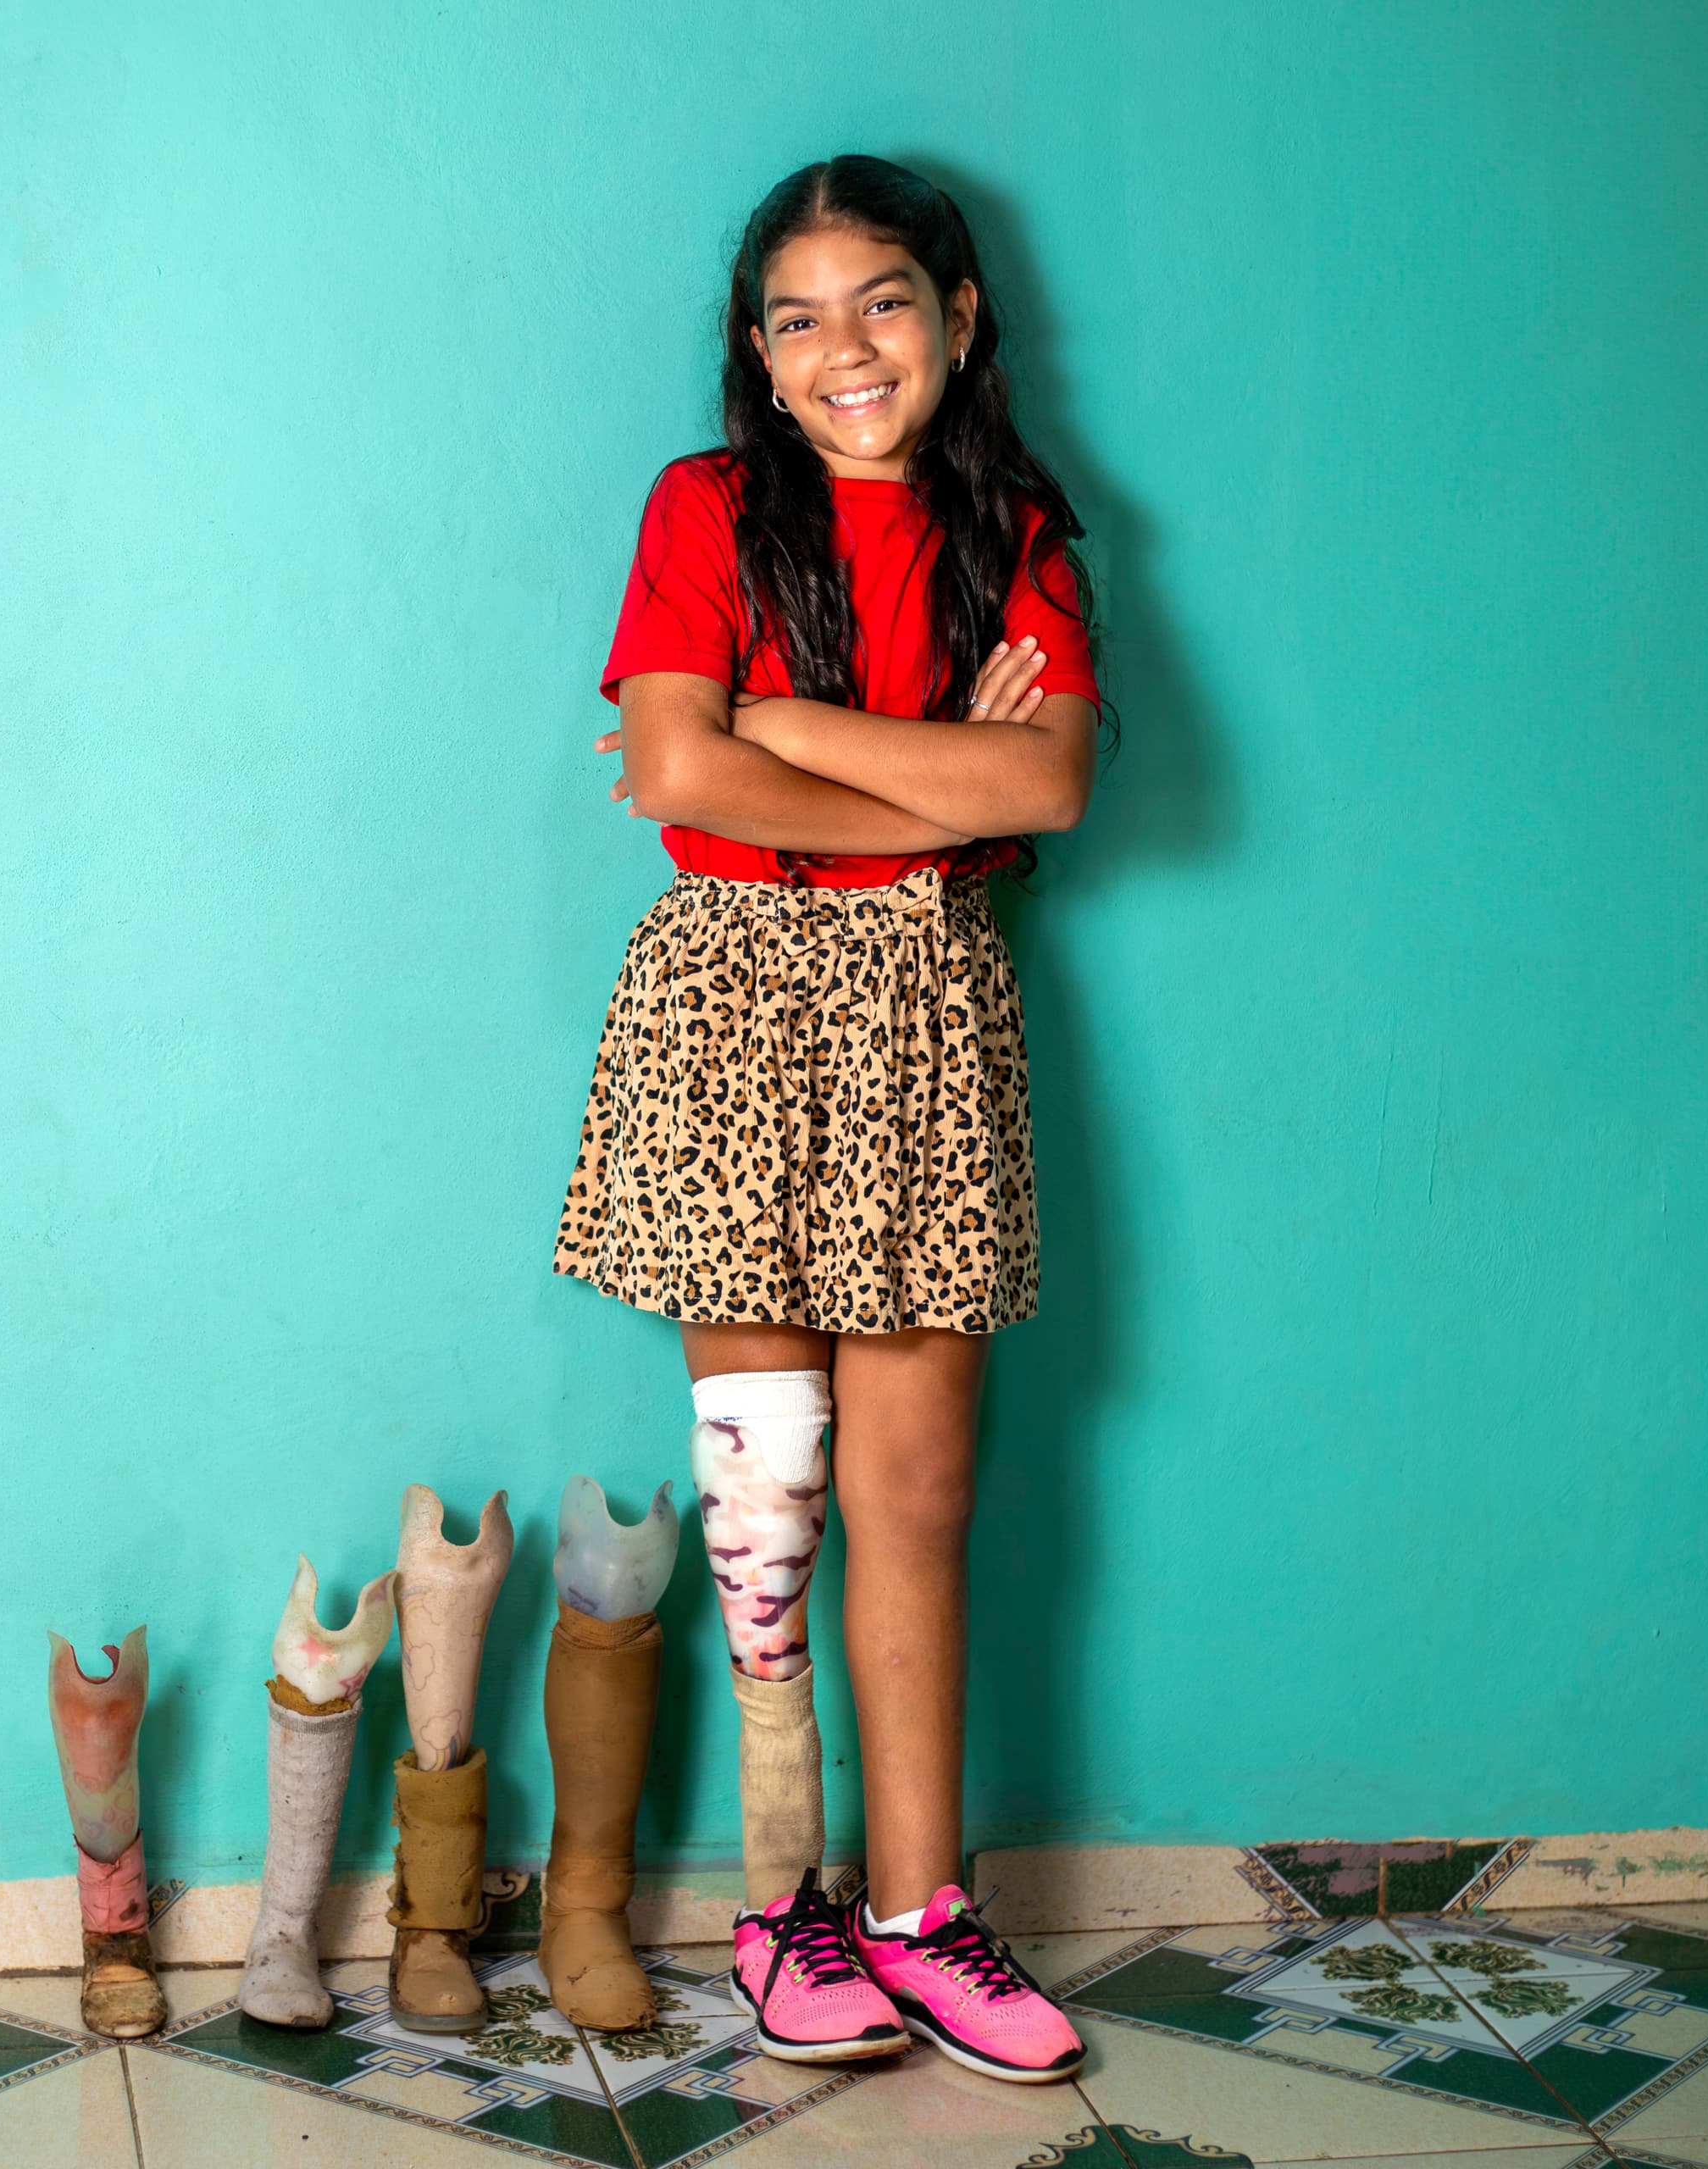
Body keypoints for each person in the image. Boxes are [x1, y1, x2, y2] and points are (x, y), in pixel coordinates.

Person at [556, 153, 1100, 2084]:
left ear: (958, 318)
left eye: (882, 301)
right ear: (757, 358)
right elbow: (671, 757)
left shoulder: (1014, 527)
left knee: (917, 1489)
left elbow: (1055, 786)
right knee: (764, 1484)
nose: (841, 346)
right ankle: (787, 1891)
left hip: (929, 1014)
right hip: (731, 991)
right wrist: (947, 790)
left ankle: (920, 1905)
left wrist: (780, 733)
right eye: (795, 316)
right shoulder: (705, 506)